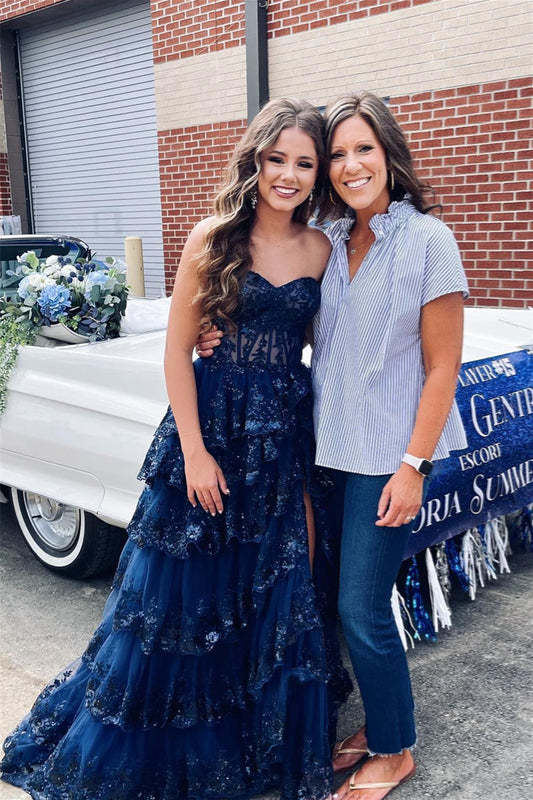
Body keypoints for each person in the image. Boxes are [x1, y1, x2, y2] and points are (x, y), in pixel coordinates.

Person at [0, 98, 351, 800]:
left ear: (318, 175)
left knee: (275, 581)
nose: (288, 174)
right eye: (276, 158)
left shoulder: (322, 248)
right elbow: (176, 352)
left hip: (284, 437)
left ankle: (256, 732)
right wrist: (193, 450)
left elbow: (320, 344)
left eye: (304, 164)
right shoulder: (214, 236)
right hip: (212, 427)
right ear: (254, 159)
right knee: (187, 593)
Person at [197, 90, 469, 800]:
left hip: (385, 460)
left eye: (362, 150)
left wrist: (413, 466)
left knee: (360, 608)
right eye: (338, 154)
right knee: (330, 599)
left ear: (389, 155)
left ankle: (393, 750)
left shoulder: (427, 241)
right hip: (319, 450)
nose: (349, 166)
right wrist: (219, 328)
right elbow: (294, 323)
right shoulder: (330, 239)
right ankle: (381, 722)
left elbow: (443, 365)